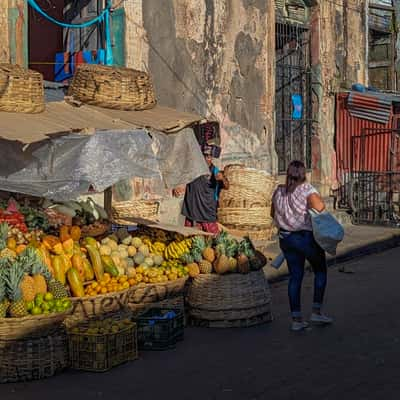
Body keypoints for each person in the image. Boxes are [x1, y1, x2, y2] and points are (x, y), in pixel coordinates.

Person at [271, 160, 332, 331]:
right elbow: (320, 207)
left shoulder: (279, 191)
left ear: (288, 174)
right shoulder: (307, 190)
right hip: (305, 238)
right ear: (304, 174)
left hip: (286, 239)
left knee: (295, 277)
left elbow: (272, 213)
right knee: (320, 270)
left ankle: (297, 320)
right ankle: (316, 311)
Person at [179, 145, 229, 234]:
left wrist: (222, 179)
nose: (206, 159)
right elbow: (182, 176)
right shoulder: (193, 169)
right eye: (204, 156)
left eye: (208, 157)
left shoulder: (215, 171)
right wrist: (178, 186)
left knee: (213, 239)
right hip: (192, 212)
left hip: (207, 213)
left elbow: (227, 186)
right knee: (189, 240)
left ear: (211, 158)